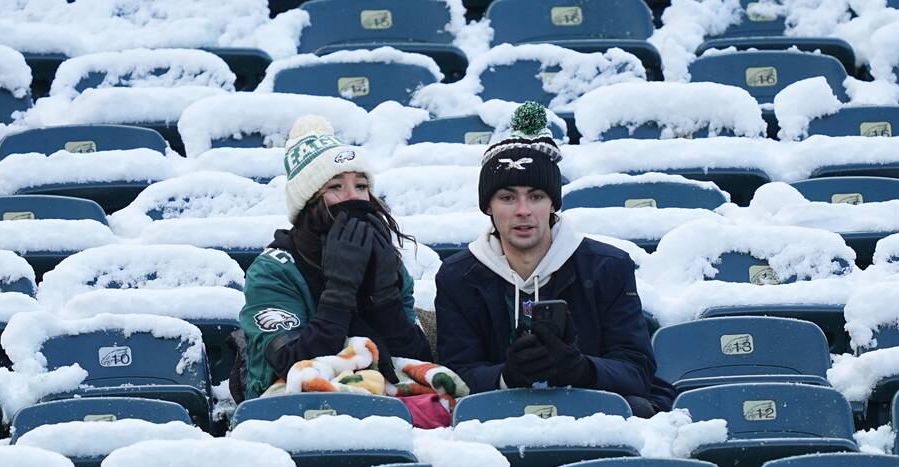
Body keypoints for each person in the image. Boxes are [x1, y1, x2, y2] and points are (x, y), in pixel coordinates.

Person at [434, 102, 673, 417]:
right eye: (507, 197)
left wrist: (582, 369)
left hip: (594, 412)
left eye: (536, 196)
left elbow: (636, 368)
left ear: (553, 204)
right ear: (488, 206)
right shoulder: (458, 275)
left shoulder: (608, 266)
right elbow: (455, 373)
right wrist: (507, 376)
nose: (523, 211)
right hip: (501, 414)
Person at [235, 115, 432, 402]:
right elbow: (292, 364)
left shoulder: (387, 261)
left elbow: (416, 360)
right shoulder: (273, 271)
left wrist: (386, 297)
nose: (353, 197)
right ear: (308, 201)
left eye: (361, 186)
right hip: (290, 405)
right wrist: (340, 288)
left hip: (386, 398)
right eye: (336, 187)